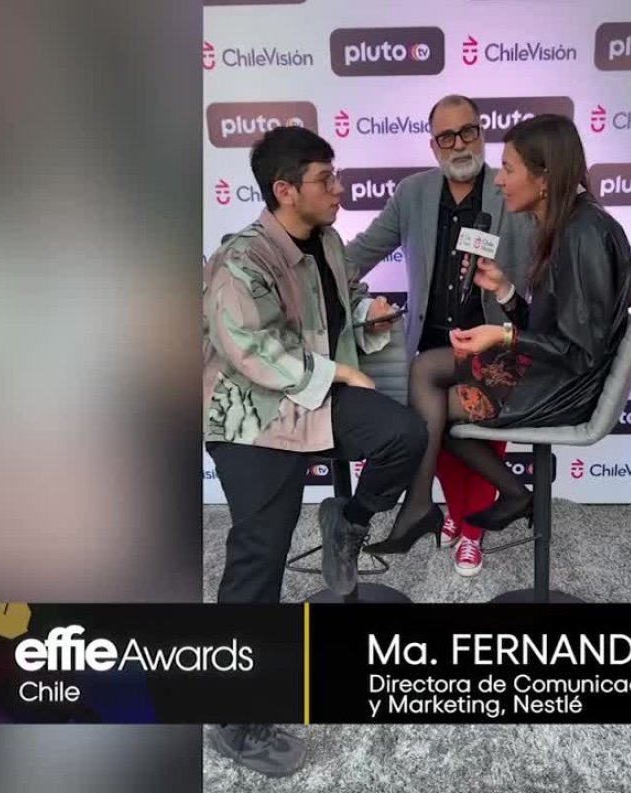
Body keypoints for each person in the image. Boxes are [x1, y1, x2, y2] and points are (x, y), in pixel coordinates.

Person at [346, 95, 631, 575]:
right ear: (433, 145)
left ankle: (454, 517)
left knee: (431, 412)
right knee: (427, 387)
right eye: (447, 136)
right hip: (462, 341)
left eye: (468, 132)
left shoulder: (557, 217)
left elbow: (585, 301)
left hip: (539, 370)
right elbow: (362, 250)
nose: (460, 144)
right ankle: (458, 503)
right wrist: (311, 278)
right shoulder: (415, 193)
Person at [201, 126, 426, 777]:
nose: (339, 189)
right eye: (326, 179)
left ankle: (346, 522)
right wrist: (338, 372)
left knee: (405, 436)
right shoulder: (241, 260)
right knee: (259, 559)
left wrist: (367, 314)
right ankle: (234, 721)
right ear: (284, 189)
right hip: (253, 418)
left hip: (317, 394)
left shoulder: (326, 240)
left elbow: (338, 303)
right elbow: (251, 347)